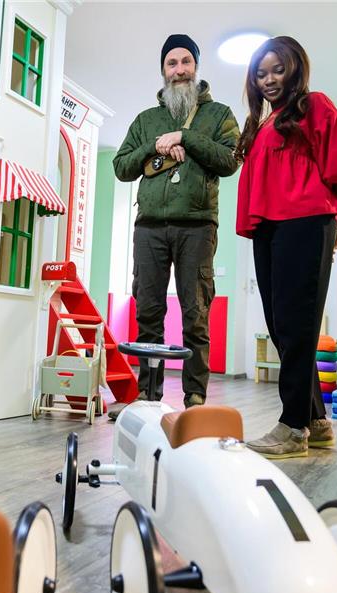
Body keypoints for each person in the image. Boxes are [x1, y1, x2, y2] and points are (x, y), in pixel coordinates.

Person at [235, 36, 337, 458]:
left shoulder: (315, 106)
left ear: (295, 69)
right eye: (261, 74)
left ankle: (292, 426)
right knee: (281, 327)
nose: (269, 80)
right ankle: (315, 419)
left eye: (278, 70)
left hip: (307, 222)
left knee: (297, 326)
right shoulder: (262, 125)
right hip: (269, 227)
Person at [112, 34, 240, 412]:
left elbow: (230, 160)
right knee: (148, 312)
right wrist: (155, 145)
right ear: (163, 71)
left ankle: (195, 398)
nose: (179, 70)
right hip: (148, 228)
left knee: (195, 313)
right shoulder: (145, 120)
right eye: (172, 63)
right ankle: (148, 395)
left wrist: (186, 137)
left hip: (197, 227)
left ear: (196, 67)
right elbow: (121, 167)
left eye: (186, 62)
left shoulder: (219, 115)